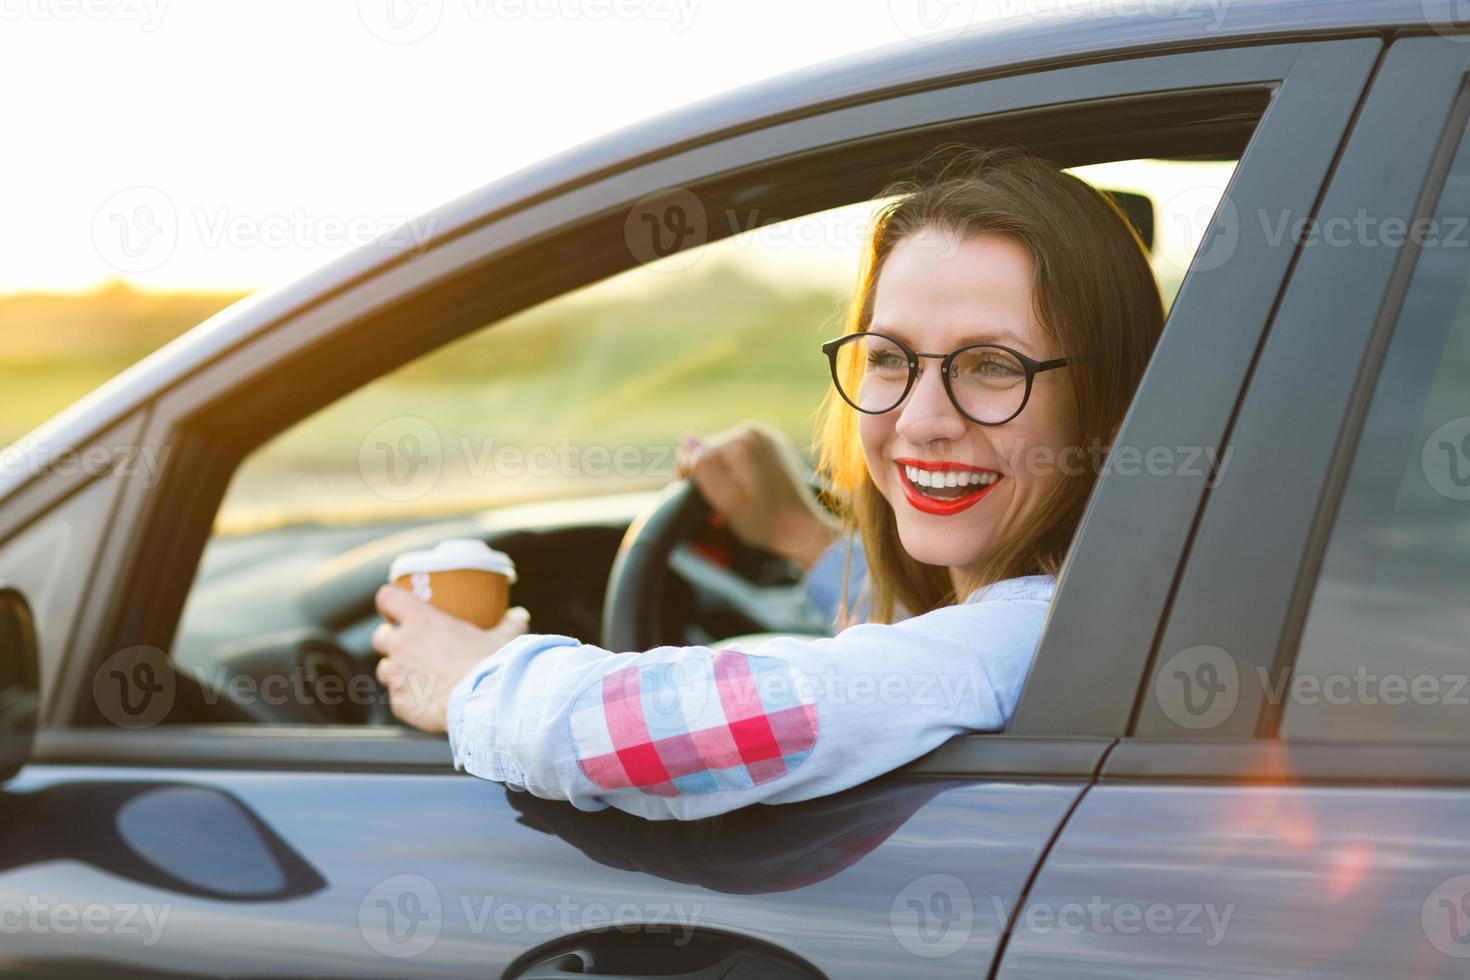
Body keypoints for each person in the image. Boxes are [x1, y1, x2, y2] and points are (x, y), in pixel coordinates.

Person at [371, 145, 1165, 821]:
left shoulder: (1021, 641)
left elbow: (675, 733)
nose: (923, 420)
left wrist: (469, 683)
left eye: (993, 366)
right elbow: (917, 658)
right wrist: (803, 539)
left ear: (1109, 409)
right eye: (888, 357)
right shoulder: (1073, 617)